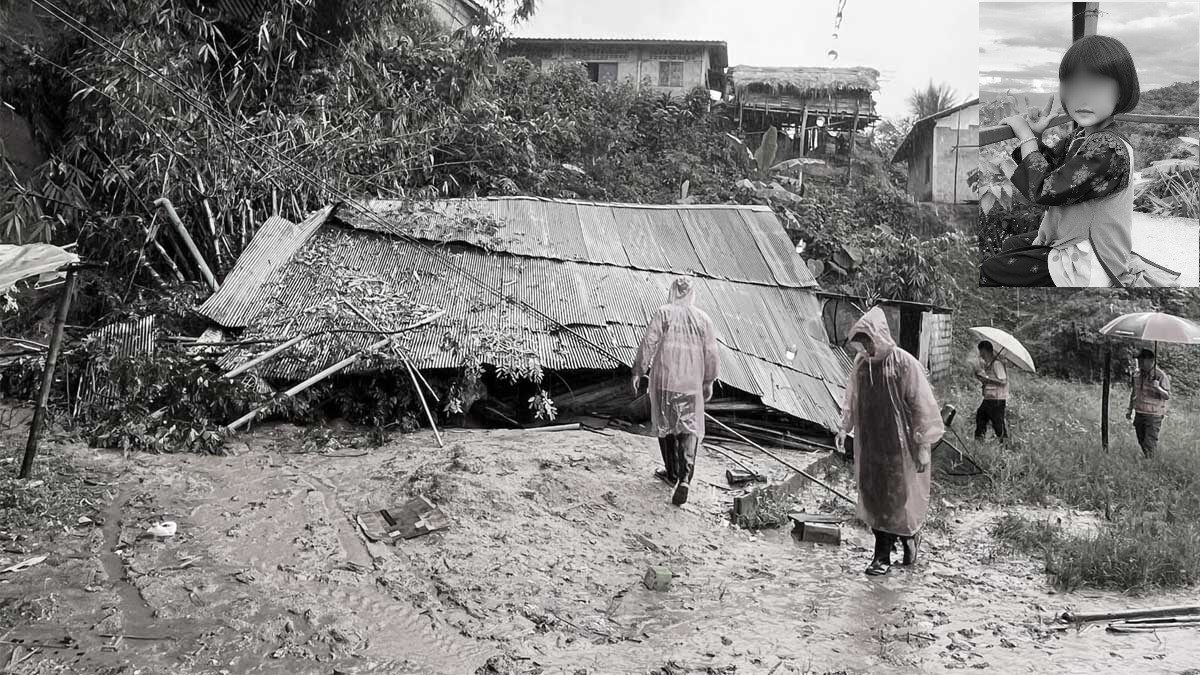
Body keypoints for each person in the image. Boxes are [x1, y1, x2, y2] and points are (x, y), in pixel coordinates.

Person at [980, 35, 1180, 288]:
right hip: (1076, 238)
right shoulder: (1083, 137)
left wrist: (1026, 135)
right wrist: (1038, 136)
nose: (1083, 98)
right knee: (1012, 245)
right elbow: (1051, 169)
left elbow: (1043, 189)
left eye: (1096, 87)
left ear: (1121, 92)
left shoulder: (1108, 149)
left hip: (1089, 256)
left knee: (990, 270)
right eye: (1073, 86)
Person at [835, 307, 944, 576]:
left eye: (869, 340)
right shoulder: (861, 365)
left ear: (881, 336)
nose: (866, 346)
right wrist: (843, 428)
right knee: (873, 497)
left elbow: (922, 406)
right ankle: (891, 546)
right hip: (871, 442)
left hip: (900, 445)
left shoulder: (904, 364)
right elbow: (852, 400)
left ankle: (887, 552)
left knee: (896, 498)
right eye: (862, 341)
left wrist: (922, 446)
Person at [631, 277, 719, 506]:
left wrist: (638, 371)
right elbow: (711, 353)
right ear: (692, 293)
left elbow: (649, 342)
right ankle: (685, 478)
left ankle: (671, 473)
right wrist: (708, 381)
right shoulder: (703, 319)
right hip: (691, 384)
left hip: (664, 381)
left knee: (666, 425)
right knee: (689, 429)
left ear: (672, 291)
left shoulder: (664, 312)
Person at [1126, 348, 1170, 458]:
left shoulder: (1160, 375)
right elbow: (1134, 392)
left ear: (1151, 361)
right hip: (1139, 411)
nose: (1140, 363)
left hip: (1154, 414)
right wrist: (1130, 409)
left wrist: (1158, 388)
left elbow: (1167, 396)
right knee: (1141, 439)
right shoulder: (1136, 374)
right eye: (1139, 360)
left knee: (1149, 441)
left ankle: (1150, 462)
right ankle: (1148, 458)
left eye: (1142, 360)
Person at [974, 341, 1009, 441]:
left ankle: (1005, 447)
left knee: (998, 424)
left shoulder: (997, 364)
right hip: (990, 398)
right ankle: (979, 442)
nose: (980, 354)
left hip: (997, 399)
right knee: (981, 417)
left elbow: (1003, 381)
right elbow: (991, 381)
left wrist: (988, 380)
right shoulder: (989, 365)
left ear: (985, 350)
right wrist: (983, 380)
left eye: (981, 352)